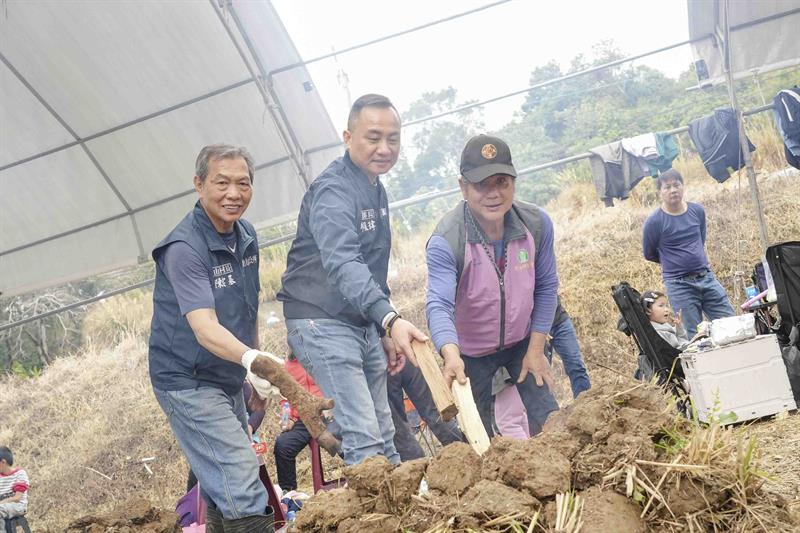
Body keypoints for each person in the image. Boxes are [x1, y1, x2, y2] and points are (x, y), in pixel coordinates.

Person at [277, 94, 428, 466]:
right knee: (362, 434)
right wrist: (390, 318)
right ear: (348, 137)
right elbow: (343, 262)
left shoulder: (375, 187)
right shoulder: (334, 192)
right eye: (373, 137)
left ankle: (402, 516)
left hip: (358, 322)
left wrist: (380, 328)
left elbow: (371, 265)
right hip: (321, 320)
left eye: (393, 138)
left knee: (384, 430)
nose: (384, 148)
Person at [149, 144, 278, 532]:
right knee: (241, 477)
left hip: (224, 375)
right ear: (199, 184)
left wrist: (249, 371)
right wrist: (251, 361)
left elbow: (246, 305)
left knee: (225, 485)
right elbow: (204, 327)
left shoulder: (246, 235)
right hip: (186, 380)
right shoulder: (184, 247)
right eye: (221, 183)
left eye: (243, 183)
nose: (233, 193)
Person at [426, 134, 560, 438]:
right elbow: (438, 305)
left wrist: (537, 348)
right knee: (477, 436)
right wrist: (450, 354)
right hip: (470, 353)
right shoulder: (447, 240)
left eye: (502, 182)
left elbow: (547, 287)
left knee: (551, 419)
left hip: (523, 341)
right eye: (481, 184)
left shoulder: (536, 225)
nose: (494, 194)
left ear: (513, 182)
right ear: (463, 187)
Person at [643, 169, 735, 338]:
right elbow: (649, 253)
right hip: (679, 285)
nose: (673, 190)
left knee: (730, 324)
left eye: (676, 185)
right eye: (667, 187)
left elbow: (700, 239)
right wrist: (673, 261)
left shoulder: (697, 211)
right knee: (693, 335)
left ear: (683, 187)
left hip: (706, 277)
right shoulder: (654, 221)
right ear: (660, 192)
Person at [273, 354, 341, 492]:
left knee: (340, 437)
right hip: (304, 419)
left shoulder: (322, 355)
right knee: (283, 445)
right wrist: (289, 418)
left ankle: (358, 472)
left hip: (328, 414)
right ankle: (289, 494)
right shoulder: (288, 366)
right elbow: (286, 397)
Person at [387, 363, 464, 461]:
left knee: (400, 428)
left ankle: (416, 467)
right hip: (404, 355)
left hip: (385, 360)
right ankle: (464, 453)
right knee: (434, 412)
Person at [0, 446, 29, 531]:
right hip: (3, 507)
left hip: (18, 506)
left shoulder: (19, 474)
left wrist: (1, 502)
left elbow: (17, 498)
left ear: (3, 462)